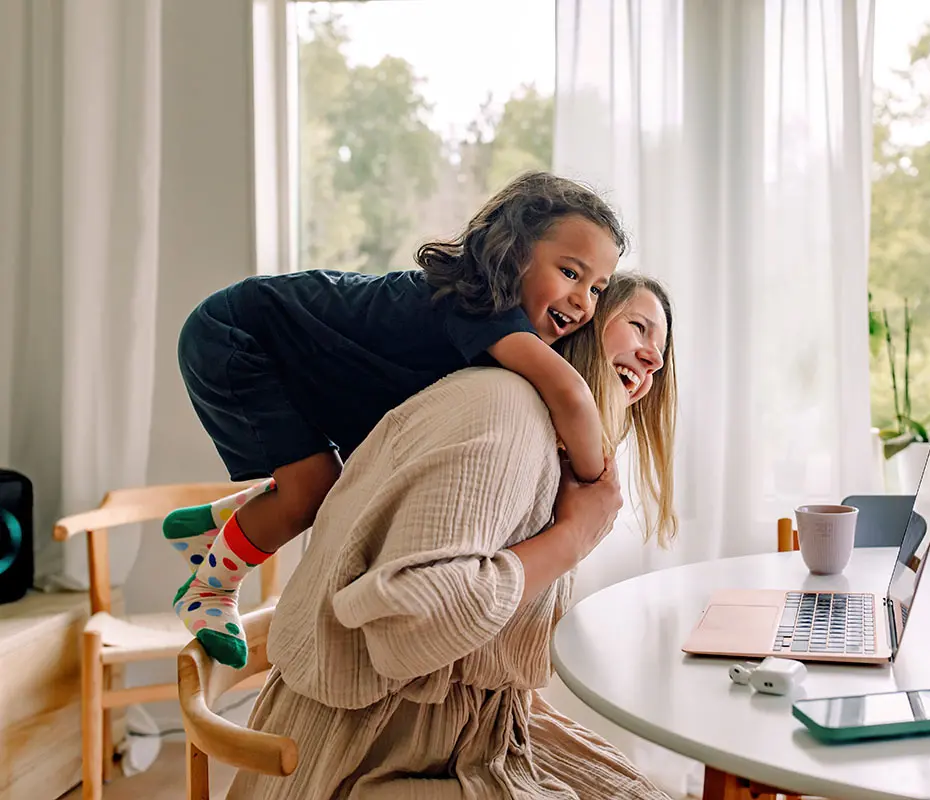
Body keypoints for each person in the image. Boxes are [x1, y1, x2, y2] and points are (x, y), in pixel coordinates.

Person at [227, 273, 677, 800]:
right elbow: (410, 625)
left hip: (458, 735)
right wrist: (575, 535)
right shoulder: (509, 413)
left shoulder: (544, 434)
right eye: (639, 328)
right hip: (370, 756)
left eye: (660, 351)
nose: (654, 361)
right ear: (582, 321)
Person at [163, 172, 625, 669]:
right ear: (513, 254)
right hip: (236, 334)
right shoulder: (480, 305)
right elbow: (571, 394)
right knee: (312, 490)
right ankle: (208, 590)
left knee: (337, 479)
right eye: (571, 274)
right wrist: (597, 486)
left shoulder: (490, 328)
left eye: (599, 289)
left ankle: (214, 528)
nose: (583, 302)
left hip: (280, 345)